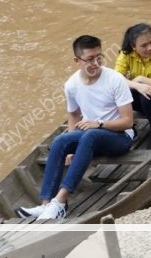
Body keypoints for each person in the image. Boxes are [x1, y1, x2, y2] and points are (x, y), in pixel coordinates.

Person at [16, 35, 135, 221]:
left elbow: (128, 121)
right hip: (91, 134)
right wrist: (71, 149)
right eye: (89, 59)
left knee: (90, 135)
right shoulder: (72, 84)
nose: (95, 63)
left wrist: (100, 124)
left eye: (99, 57)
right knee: (60, 141)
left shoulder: (115, 79)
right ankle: (46, 204)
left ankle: (61, 202)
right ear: (77, 61)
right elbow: (73, 114)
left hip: (119, 137)